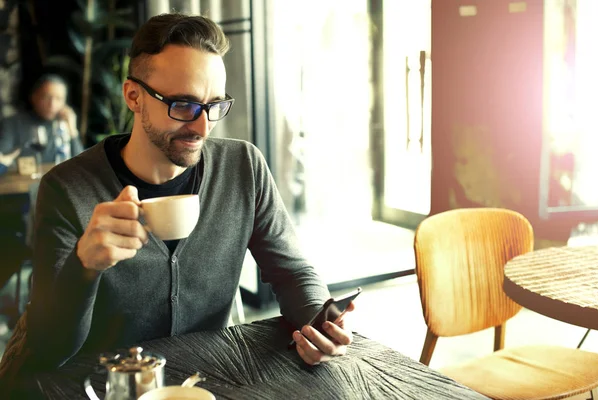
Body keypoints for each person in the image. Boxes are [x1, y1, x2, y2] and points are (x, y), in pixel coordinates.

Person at [0, 13, 355, 382]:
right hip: (106, 387)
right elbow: (48, 348)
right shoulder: (68, 188)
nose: (203, 127)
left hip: (206, 383)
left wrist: (319, 322)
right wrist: (84, 266)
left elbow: (293, 270)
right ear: (133, 97)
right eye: (183, 105)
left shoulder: (243, 166)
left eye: (214, 105)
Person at [0, 73, 84, 172]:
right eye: (47, 97)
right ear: (34, 97)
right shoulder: (12, 123)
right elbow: (3, 156)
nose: (52, 104)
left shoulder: (64, 125)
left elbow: (82, 163)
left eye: (58, 99)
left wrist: (72, 130)